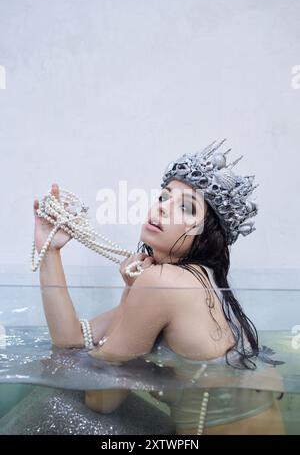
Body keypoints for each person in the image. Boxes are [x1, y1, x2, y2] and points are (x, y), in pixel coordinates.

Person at [33, 140, 285, 435]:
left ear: (207, 236)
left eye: (186, 208)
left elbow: (101, 400)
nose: (163, 208)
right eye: (164, 197)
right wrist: (49, 250)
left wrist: (131, 294)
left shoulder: (162, 283)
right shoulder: (195, 280)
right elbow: (74, 338)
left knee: (52, 405)